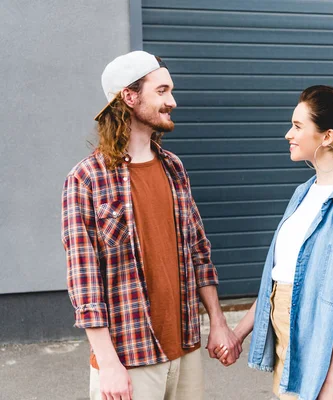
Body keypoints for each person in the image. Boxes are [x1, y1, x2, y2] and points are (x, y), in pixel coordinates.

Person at [61, 51, 241, 400]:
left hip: (185, 347)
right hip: (129, 357)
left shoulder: (174, 168)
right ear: (129, 97)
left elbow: (199, 253)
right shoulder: (86, 179)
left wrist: (218, 323)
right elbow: (84, 282)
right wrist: (108, 363)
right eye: (161, 91)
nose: (171, 101)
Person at [222, 85, 333, 399]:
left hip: (317, 348)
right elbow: (278, 277)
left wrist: (330, 384)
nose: (287, 134)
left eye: (297, 126)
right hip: (285, 339)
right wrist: (237, 335)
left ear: (326, 136)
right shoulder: (302, 193)